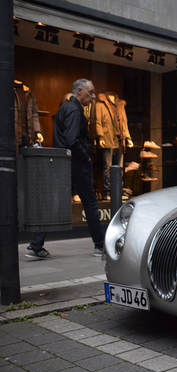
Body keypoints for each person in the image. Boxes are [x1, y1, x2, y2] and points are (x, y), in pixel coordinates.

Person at [26, 79, 105, 259]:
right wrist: (86, 156)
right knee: (91, 203)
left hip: (64, 163)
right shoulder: (74, 110)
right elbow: (72, 140)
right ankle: (100, 245)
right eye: (90, 92)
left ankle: (35, 246)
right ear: (79, 91)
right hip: (75, 164)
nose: (93, 97)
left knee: (53, 204)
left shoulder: (65, 109)